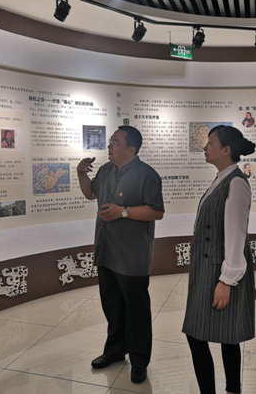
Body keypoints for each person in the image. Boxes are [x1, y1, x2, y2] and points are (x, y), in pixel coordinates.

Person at [77, 126, 165, 384]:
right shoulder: (105, 170)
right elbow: (90, 193)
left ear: (131, 149)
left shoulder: (147, 175)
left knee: (137, 312)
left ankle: (139, 361)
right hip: (106, 251)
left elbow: (156, 212)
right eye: (111, 141)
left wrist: (123, 211)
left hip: (132, 256)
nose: (110, 146)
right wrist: (81, 173)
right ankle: (115, 350)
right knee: (112, 306)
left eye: (116, 142)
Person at [183, 125, 256, 394]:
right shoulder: (222, 178)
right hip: (208, 267)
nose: (205, 148)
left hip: (221, 271)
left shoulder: (236, 183)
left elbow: (236, 235)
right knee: (224, 335)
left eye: (210, 143)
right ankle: (231, 389)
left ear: (226, 150)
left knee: (203, 334)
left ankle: (226, 390)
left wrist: (227, 280)